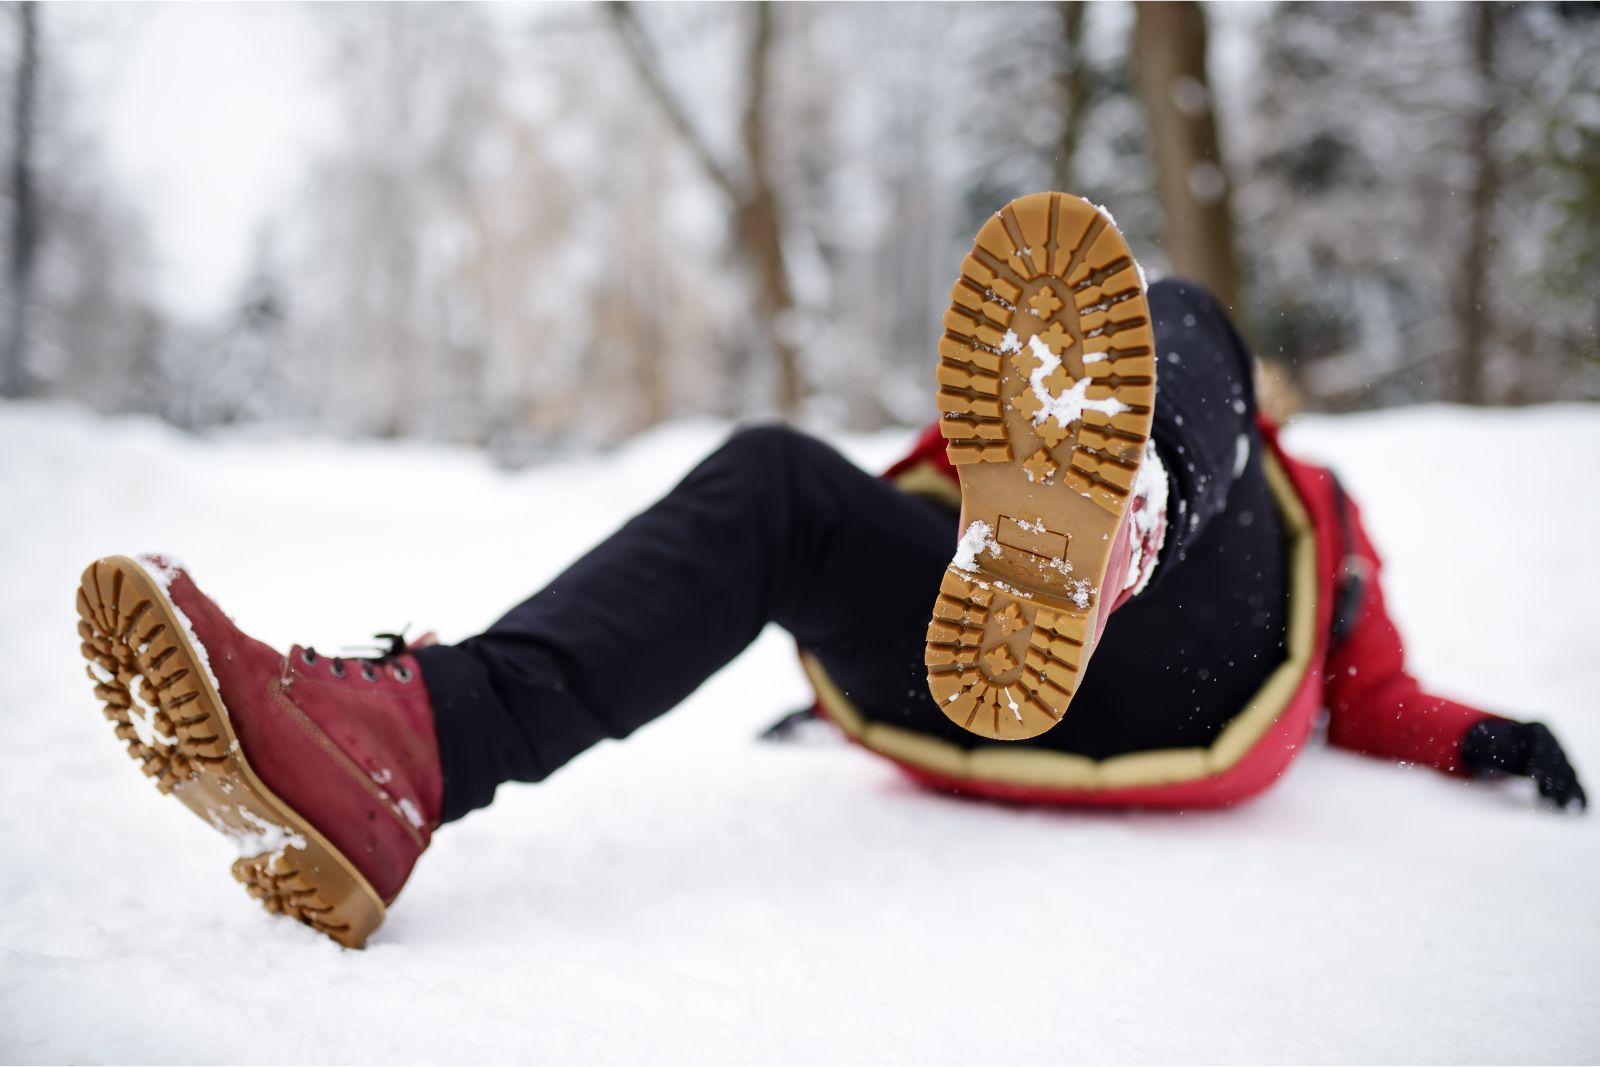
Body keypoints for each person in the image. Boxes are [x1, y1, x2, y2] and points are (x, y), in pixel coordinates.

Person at [74, 193, 1586, 950]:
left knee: (1185, 309)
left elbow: (1366, 682)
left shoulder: (1305, 491)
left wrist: (1472, 737)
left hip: (1181, 667)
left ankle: (1130, 512)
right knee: (779, 482)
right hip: (991, 689)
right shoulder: (999, 480)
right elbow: (879, 529)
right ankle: (410, 750)